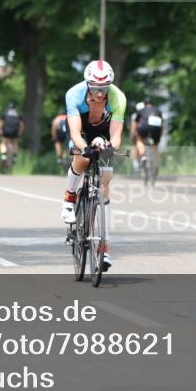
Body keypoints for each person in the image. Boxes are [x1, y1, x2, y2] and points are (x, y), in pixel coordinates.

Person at [59, 60, 126, 271]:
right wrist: (85, 148)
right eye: (96, 88)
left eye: (104, 88)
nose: (99, 93)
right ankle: (70, 196)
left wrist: (108, 147)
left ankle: (103, 248)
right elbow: (76, 134)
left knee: (105, 180)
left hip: (104, 134)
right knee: (82, 158)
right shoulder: (74, 94)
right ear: (88, 84)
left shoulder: (118, 97)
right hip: (83, 132)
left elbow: (116, 138)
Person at [135, 98, 164, 181]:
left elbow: (136, 124)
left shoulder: (141, 110)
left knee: (139, 140)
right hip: (156, 129)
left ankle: (143, 156)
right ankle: (155, 164)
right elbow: (161, 125)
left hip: (144, 127)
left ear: (145, 104)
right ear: (153, 104)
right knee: (155, 146)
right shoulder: (158, 111)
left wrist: (136, 133)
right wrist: (159, 137)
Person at [0, 102, 25, 168]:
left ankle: (3, 157)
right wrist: (20, 133)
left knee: (3, 143)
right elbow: (22, 125)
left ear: (8, 107)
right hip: (15, 132)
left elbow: (0, 124)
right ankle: (14, 157)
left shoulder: (5, 113)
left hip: (6, 132)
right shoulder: (18, 114)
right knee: (15, 143)